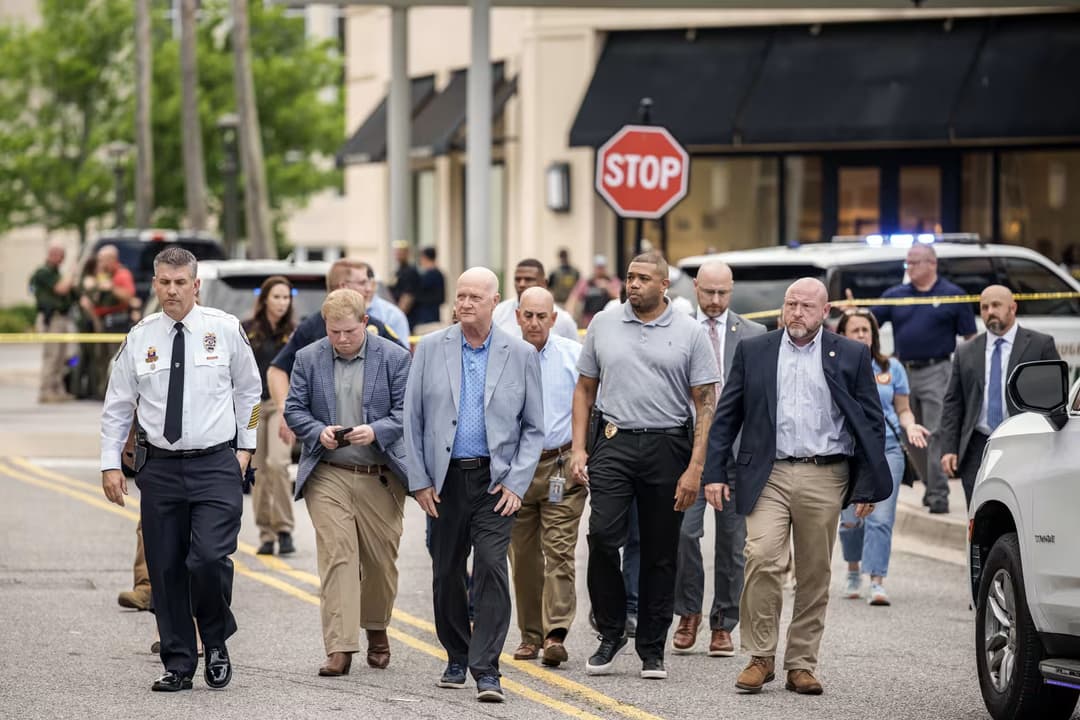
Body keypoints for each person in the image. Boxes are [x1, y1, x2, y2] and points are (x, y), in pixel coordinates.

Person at [704, 277, 891, 696]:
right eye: (791, 305)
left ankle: (801, 664)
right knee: (762, 558)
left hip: (825, 474)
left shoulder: (851, 354)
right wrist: (714, 472)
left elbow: (870, 424)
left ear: (826, 313)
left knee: (813, 572)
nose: (796, 314)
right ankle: (760, 657)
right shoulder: (755, 351)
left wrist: (866, 486)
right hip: (766, 473)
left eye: (806, 306)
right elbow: (727, 415)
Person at [100, 247, 261, 692]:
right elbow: (117, 408)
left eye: (180, 283)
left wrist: (246, 448)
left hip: (216, 464)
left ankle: (215, 640)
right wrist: (110, 463)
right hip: (161, 469)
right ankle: (177, 662)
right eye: (164, 283)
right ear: (154, 284)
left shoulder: (224, 331)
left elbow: (251, 395)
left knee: (208, 559)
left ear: (196, 286)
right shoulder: (140, 337)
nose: (172, 290)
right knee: (166, 568)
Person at [570, 250, 720, 681]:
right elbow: (584, 389)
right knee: (601, 536)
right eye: (630, 277)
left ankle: (652, 646)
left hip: (668, 446)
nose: (632, 284)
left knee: (659, 551)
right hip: (614, 443)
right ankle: (612, 630)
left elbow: (705, 405)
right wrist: (580, 449)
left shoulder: (691, 332)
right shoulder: (604, 322)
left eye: (642, 278)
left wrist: (695, 468)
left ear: (663, 285)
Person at [404, 267, 544, 704]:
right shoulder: (429, 348)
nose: (464, 304)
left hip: (494, 481)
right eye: (460, 296)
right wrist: (420, 481)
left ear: (494, 301)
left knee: (490, 566)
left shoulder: (519, 353)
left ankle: (487, 670)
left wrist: (518, 483)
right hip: (444, 481)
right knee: (446, 571)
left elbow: (534, 428)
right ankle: (456, 655)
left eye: (474, 297)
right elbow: (412, 420)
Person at [284, 288, 412, 676]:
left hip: (380, 474)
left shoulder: (394, 358)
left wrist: (376, 431)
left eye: (349, 332)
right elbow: (294, 408)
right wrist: (316, 431)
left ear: (365, 325)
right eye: (334, 332)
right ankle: (340, 647)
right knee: (339, 555)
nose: (341, 339)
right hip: (329, 473)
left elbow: (407, 412)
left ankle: (376, 627)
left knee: (379, 563)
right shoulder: (308, 358)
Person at [671, 260, 765, 657]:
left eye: (722, 293)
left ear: (732, 289)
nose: (714, 300)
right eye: (708, 292)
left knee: (733, 541)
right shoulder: (676, 330)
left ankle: (723, 622)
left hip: (735, 455)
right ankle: (688, 611)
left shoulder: (754, 334)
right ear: (695, 287)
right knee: (683, 534)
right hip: (687, 451)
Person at [507, 287, 585, 668]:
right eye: (528, 316)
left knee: (559, 550)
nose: (535, 323)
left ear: (554, 319)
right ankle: (530, 635)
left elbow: (590, 407)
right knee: (522, 556)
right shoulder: (503, 357)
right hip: (516, 470)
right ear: (518, 316)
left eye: (542, 316)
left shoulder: (573, 356)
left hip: (560, 465)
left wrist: (582, 455)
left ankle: (555, 633)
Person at [866, 244, 976, 514]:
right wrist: (850, 313)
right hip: (903, 370)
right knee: (908, 432)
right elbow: (868, 323)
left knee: (936, 432)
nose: (909, 268)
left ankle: (939, 495)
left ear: (932, 263)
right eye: (907, 263)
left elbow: (970, 338)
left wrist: (967, 373)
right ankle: (929, 482)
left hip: (938, 370)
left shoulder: (953, 295)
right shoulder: (896, 295)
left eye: (914, 263)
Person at [836, 309, 930, 606]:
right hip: (847, 452)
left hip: (887, 450)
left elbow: (902, 409)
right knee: (851, 521)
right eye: (855, 330)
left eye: (866, 330)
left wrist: (911, 423)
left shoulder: (892, 367)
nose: (862, 335)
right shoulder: (834, 364)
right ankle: (853, 569)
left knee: (881, 518)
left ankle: (876, 580)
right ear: (842, 335)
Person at [940, 285, 1060, 508]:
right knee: (978, 513)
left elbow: (1054, 399)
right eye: (984, 307)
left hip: (1024, 441)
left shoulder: (1040, 345)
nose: (989, 312)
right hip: (978, 444)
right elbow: (953, 402)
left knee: (1022, 508)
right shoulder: (966, 351)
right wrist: (948, 448)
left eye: (996, 305)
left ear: (1012, 308)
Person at [265, 259, 401, 454]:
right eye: (362, 283)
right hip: (325, 450)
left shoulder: (375, 327)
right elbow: (277, 370)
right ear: (344, 287)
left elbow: (405, 370)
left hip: (376, 452)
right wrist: (284, 410)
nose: (369, 288)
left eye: (350, 331)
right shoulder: (312, 327)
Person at [242, 276, 298, 557]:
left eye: (286, 297)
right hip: (252, 407)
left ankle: (285, 528)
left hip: (281, 407)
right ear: (264, 299)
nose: (282, 302)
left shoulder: (293, 333)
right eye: (276, 297)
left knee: (277, 464)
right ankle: (266, 533)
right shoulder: (247, 329)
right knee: (259, 471)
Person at [81, 244, 137, 399]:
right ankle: (102, 392)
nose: (100, 263)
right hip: (101, 322)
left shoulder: (122, 275)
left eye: (103, 260)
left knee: (116, 359)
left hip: (117, 323)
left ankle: (118, 394)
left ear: (112, 259)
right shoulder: (102, 275)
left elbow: (128, 296)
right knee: (101, 359)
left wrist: (111, 287)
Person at [30, 242, 77, 403]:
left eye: (62, 255)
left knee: (61, 356)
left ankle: (57, 389)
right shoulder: (43, 273)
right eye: (57, 254)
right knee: (52, 355)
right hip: (52, 318)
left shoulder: (57, 273)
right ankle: (46, 390)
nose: (60, 258)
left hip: (62, 317)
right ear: (50, 255)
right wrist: (72, 272)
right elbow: (61, 289)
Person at [492, 259, 580, 341]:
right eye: (518, 279)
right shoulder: (497, 313)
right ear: (518, 316)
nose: (521, 284)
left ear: (544, 283)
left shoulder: (564, 320)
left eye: (528, 279)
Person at [362, 265, 411, 346]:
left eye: (363, 282)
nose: (367, 289)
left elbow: (403, 354)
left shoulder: (392, 314)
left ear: (373, 285)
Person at [568, 255, 622, 328]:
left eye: (602, 267)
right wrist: (570, 316)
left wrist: (607, 287)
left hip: (607, 321)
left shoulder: (612, 281)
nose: (600, 270)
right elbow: (573, 298)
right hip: (588, 321)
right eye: (598, 267)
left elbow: (620, 297)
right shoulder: (586, 282)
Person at [412, 246, 446, 328]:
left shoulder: (429, 275)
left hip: (426, 318)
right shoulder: (439, 274)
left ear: (424, 257)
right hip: (433, 315)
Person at [389, 241, 420, 317]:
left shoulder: (410, 271)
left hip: (408, 315)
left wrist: (398, 315)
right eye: (397, 251)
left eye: (400, 252)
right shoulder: (398, 270)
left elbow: (408, 296)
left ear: (407, 253)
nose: (398, 254)